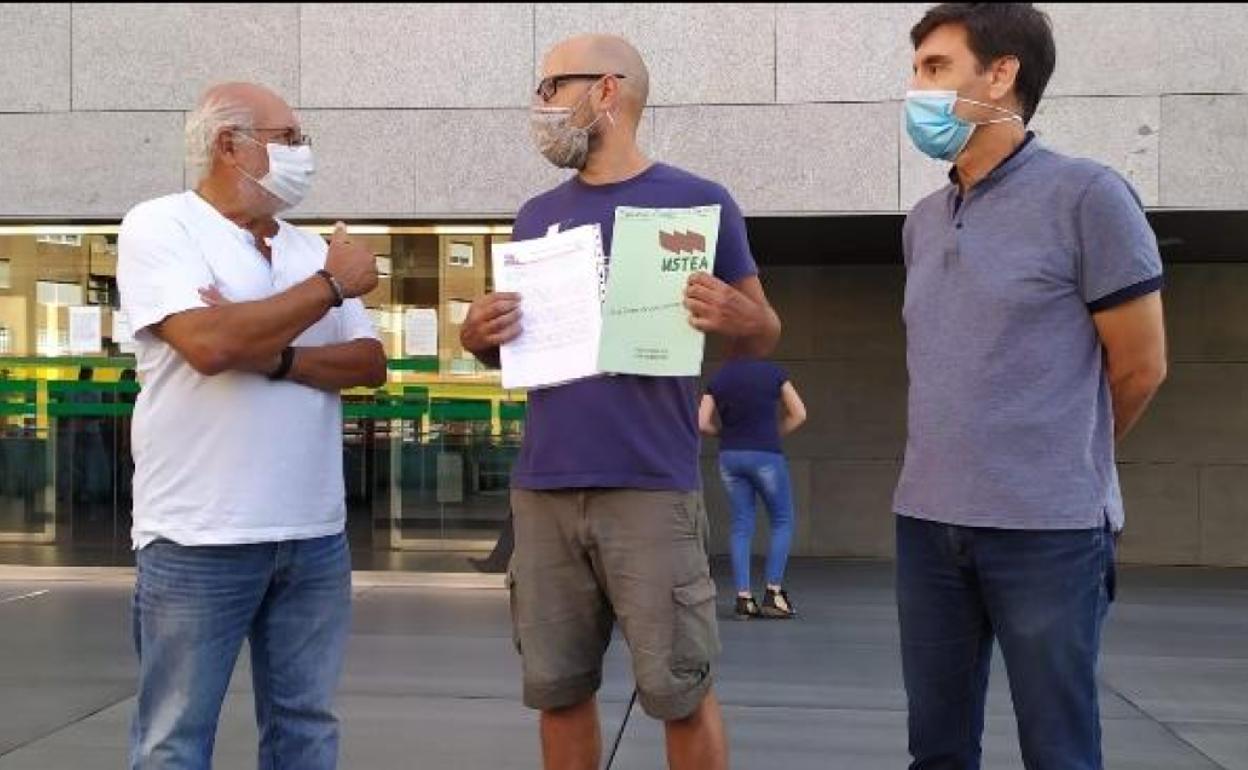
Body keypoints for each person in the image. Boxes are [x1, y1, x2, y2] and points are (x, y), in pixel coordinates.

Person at [460, 34, 781, 770]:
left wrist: (740, 317)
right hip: (543, 489)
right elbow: (513, 347)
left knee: (680, 691)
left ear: (607, 90)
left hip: (649, 488)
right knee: (557, 691)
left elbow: (764, 330)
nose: (539, 108)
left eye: (549, 89)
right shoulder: (535, 215)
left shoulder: (701, 201)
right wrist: (480, 336)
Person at [894, 5, 1168, 769]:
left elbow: (1142, 366)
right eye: (916, 70)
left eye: (937, 68)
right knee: (936, 750)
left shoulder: (1088, 196)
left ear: (1003, 73)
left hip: (1048, 534)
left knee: (1059, 749)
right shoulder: (921, 220)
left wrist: (1054, 461)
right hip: (925, 525)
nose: (917, 89)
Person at [117, 81, 384, 770]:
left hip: (313, 537)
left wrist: (267, 348)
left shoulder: (305, 247)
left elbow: (367, 362)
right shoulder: (160, 225)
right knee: (174, 738)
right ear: (228, 145)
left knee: (306, 729)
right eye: (289, 138)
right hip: (198, 537)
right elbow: (209, 347)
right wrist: (328, 289)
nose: (304, 153)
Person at [699, 359, 807, 620]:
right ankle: (774, 593)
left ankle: (744, 598)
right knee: (782, 520)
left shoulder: (719, 378)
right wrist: (775, 433)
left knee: (741, 525)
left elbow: (701, 422)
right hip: (766, 455)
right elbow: (799, 413)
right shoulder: (774, 373)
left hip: (730, 457)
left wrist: (723, 435)